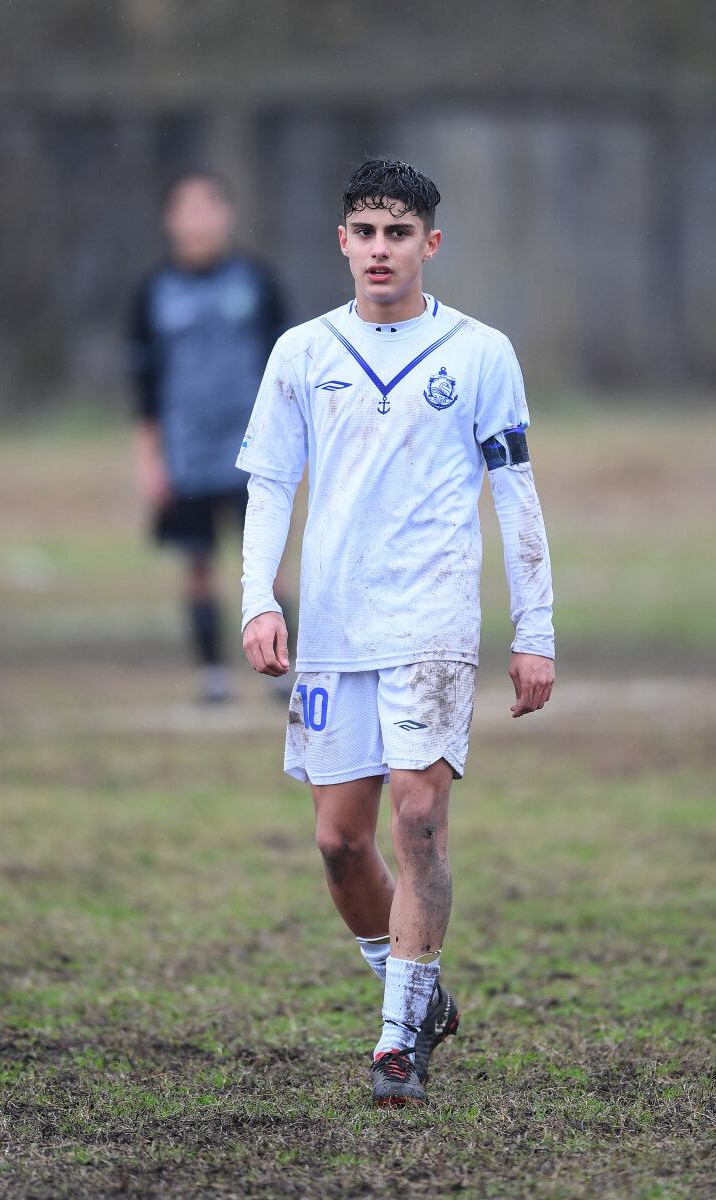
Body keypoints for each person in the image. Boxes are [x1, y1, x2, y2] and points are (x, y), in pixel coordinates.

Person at [237, 159, 555, 1105]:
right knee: (341, 843)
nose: (382, 250)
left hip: (432, 621)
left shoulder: (481, 352)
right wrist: (259, 599)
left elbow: (516, 495)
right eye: (367, 233)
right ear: (343, 242)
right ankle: (416, 993)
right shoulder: (302, 352)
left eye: (400, 233)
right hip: (334, 629)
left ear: (430, 243)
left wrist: (534, 630)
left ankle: (395, 1046)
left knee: (417, 818)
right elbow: (269, 486)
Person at [128, 168, 289, 703]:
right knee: (197, 564)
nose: (198, 220)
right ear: (170, 220)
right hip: (188, 453)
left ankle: (281, 669)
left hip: (251, 450)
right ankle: (212, 674)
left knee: (268, 563)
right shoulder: (154, 292)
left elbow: (287, 370)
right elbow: (144, 386)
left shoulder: (256, 281)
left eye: (208, 207)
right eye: (187, 209)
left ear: (226, 214)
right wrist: (149, 460)